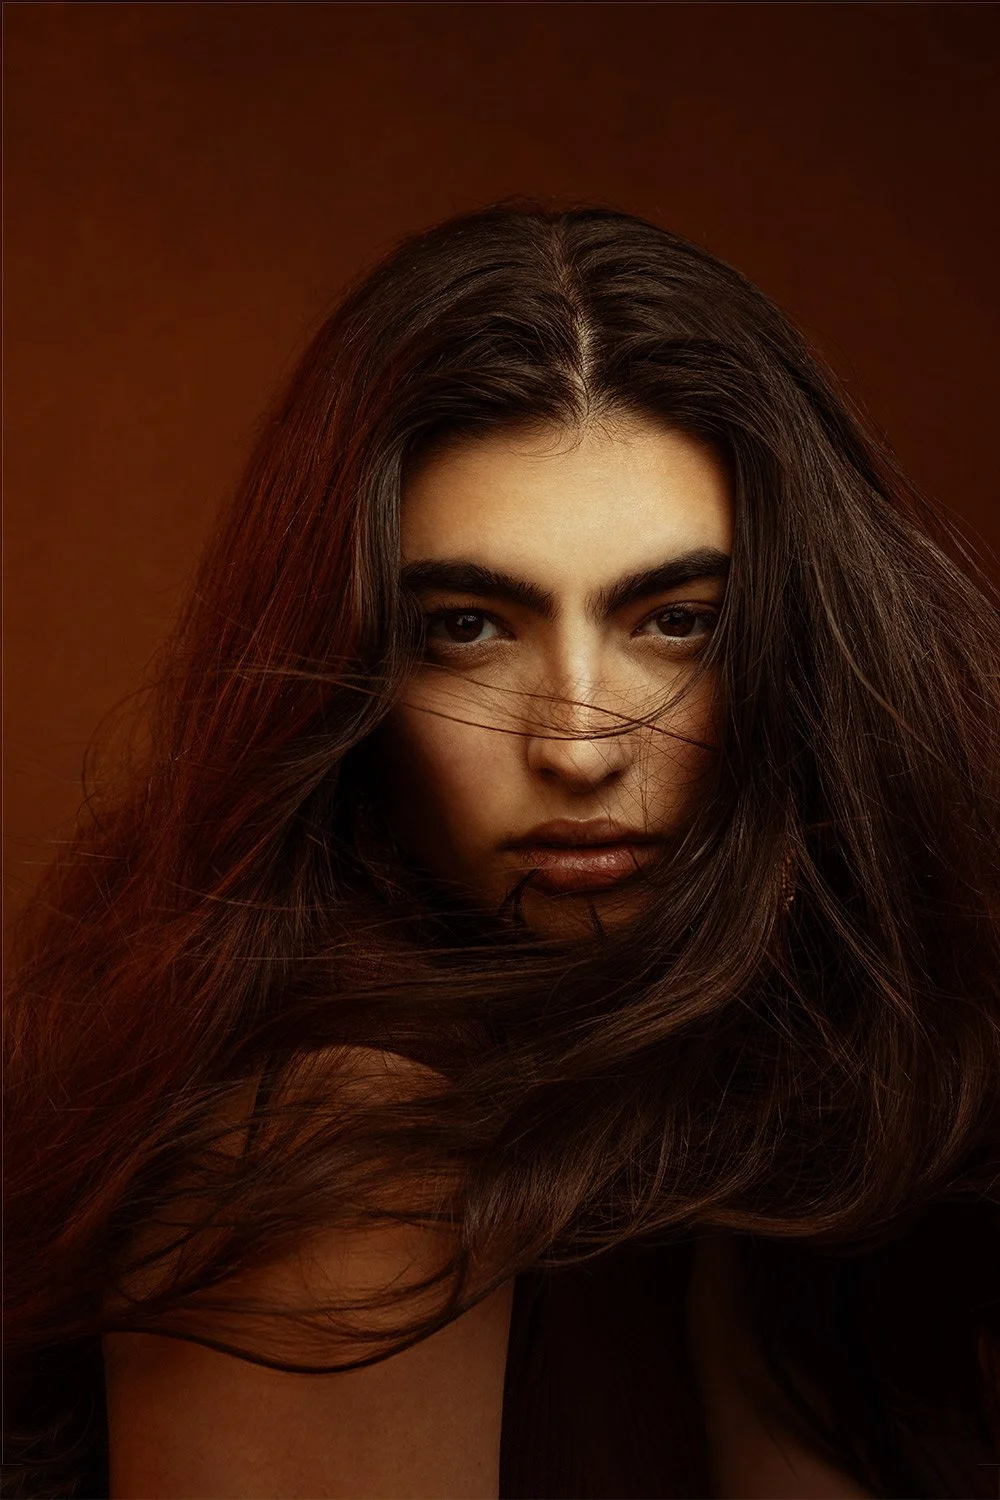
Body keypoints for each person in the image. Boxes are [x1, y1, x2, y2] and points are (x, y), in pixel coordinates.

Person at [4, 203, 999, 1500]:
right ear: (355, 669)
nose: (581, 744)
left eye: (678, 620)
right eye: (471, 627)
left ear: (802, 645)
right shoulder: (340, 1151)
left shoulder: (826, 1091)